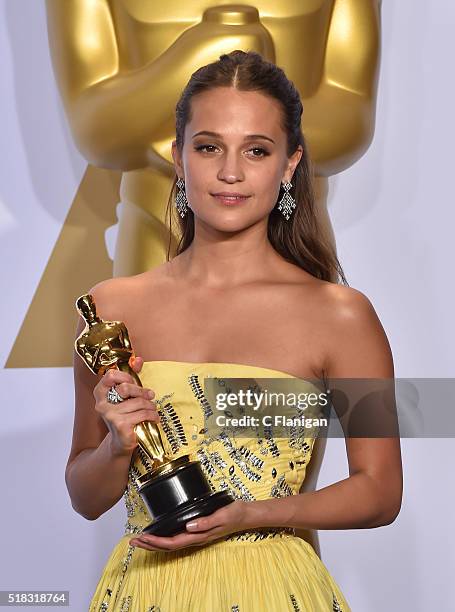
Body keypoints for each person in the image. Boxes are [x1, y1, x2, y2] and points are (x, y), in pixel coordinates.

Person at [69, 51, 402, 612]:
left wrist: (251, 514)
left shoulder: (342, 315)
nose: (230, 171)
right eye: (208, 147)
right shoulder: (111, 308)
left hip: (273, 587)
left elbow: (380, 491)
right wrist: (117, 446)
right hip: (144, 589)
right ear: (178, 158)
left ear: (290, 164)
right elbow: (85, 495)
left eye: (256, 150)